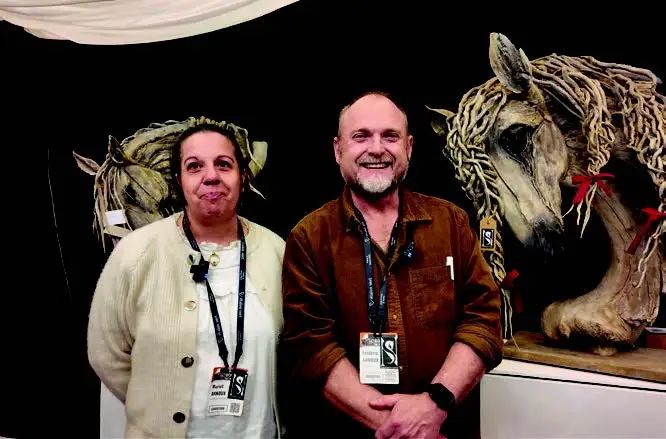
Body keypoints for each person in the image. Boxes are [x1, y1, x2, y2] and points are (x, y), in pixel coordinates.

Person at [280, 92, 503, 439]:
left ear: (409, 147)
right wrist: (398, 428)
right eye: (361, 136)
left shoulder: (451, 224)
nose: (376, 148)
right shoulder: (309, 238)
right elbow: (312, 347)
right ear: (338, 150)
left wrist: (434, 405)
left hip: (443, 428)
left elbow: (483, 319)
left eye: (390, 136)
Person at [87, 118, 286, 438]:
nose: (211, 176)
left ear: (242, 176)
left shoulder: (277, 252)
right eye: (195, 166)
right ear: (179, 180)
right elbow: (105, 352)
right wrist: (154, 405)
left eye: (224, 164)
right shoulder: (135, 253)